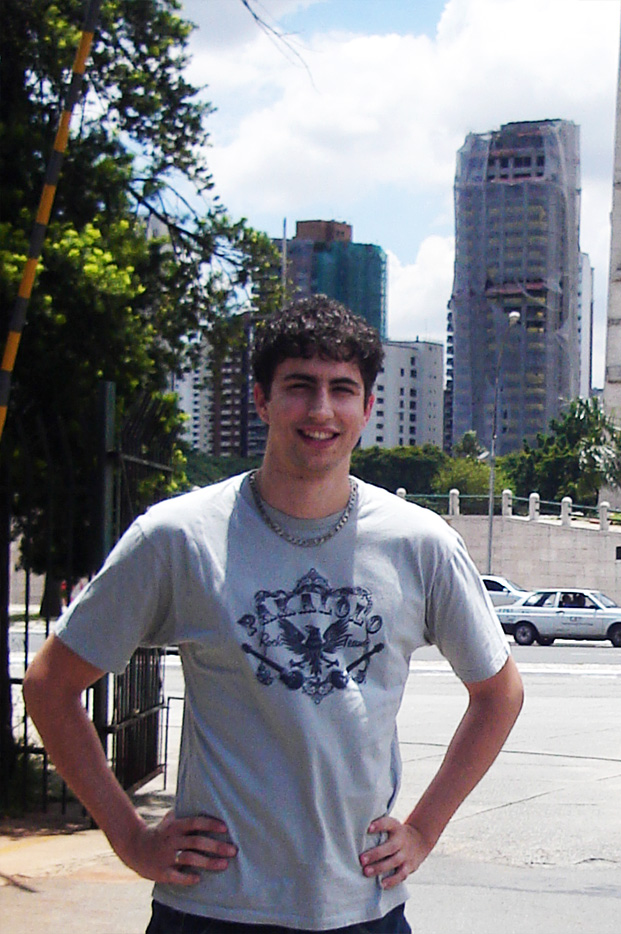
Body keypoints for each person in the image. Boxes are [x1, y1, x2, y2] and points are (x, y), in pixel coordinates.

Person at [23, 296, 524, 933]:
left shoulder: (419, 543)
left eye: (343, 389)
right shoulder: (178, 537)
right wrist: (130, 836)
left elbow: (498, 692)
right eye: (299, 387)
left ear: (369, 408)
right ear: (261, 400)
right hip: (209, 909)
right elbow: (50, 686)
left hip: (363, 906)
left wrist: (424, 828)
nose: (321, 411)